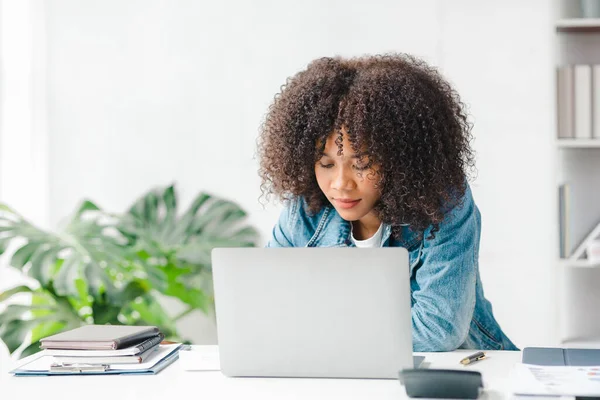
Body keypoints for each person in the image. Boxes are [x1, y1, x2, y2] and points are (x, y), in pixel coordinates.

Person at [257, 54, 517, 352]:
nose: (341, 183)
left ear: (398, 158)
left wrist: (322, 335)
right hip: (343, 370)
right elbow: (268, 304)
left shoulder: (443, 204)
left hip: (459, 367)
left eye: (362, 163)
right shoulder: (304, 210)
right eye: (325, 164)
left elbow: (438, 329)